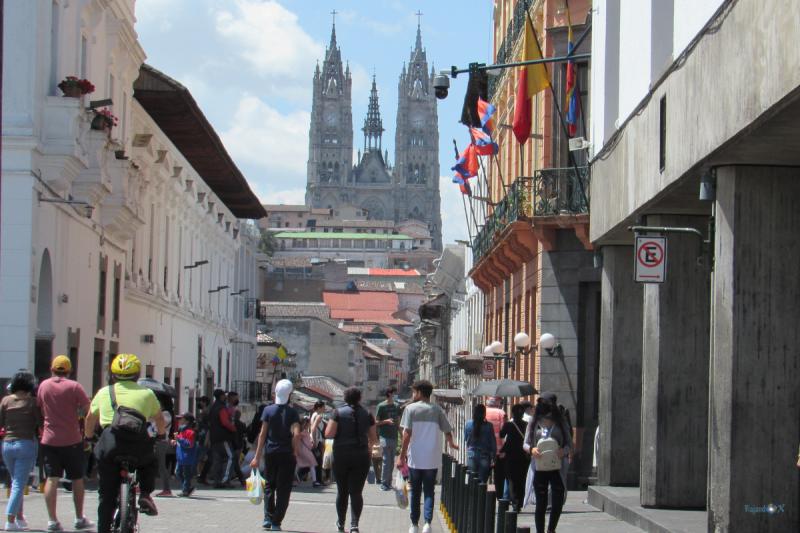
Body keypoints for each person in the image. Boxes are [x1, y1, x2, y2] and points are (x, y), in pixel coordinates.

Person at [84, 354, 166, 533]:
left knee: (106, 495)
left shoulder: (104, 392)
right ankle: (145, 494)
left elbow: (90, 419)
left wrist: (88, 437)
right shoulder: (147, 393)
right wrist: (161, 435)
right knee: (149, 462)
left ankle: (104, 528)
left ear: (113, 375)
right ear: (137, 375)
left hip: (110, 444)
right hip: (137, 444)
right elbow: (159, 419)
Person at [36, 355, 93, 531]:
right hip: (72, 439)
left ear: (52, 368)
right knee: (77, 479)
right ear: (69, 370)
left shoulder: (43, 385)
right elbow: (89, 408)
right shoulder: (74, 386)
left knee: (52, 479)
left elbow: (39, 407)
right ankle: (78, 517)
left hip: (49, 439)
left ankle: (52, 521)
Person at [397, 380, 458, 533]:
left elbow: (406, 434)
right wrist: (451, 444)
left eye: (414, 391)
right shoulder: (437, 410)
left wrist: (401, 455)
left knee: (415, 492)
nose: (412, 394)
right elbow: (447, 431)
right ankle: (428, 524)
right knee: (429, 491)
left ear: (418, 392)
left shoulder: (410, 409)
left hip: (415, 458)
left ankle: (414, 525)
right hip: (432, 457)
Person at [250, 379, 301, 531]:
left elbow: (262, 435)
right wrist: (295, 452)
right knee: (284, 489)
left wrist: (256, 457)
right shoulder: (293, 413)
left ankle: (267, 517)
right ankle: (276, 522)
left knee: (269, 486)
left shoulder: (268, 411)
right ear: (289, 395)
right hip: (287, 454)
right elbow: (297, 435)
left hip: (271, 452)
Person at [325, 387, 377, 533]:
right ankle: (354, 525)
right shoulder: (367, 413)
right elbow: (373, 438)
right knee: (356, 492)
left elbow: (328, 433)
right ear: (359, 398)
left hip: (341, 455)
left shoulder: (337, 412)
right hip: (361, 456)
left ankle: (341, 524)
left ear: (345, 398)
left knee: (342, 492)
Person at [0, 371, 41, 532]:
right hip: (26, 444)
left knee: (15, 480)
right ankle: (10, 519)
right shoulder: (32, 402)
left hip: (7, 445)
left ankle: (20, 517)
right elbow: (39, 422)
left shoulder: (5, 401)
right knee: (19, 483)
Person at [523, 401, 570, 533]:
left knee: (558, 499)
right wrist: (531, 450)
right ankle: (540, 531)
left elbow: (569, 444)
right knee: (541, 502)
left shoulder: (561, 422)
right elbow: (525, 444)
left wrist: (563, 451)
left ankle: (551, 529)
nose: (546, 419)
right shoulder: (533, 423)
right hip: (539, 467)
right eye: (544, 416)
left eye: (549, 415)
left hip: (556, 468)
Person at [500, 403, 531, 510]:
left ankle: (514, 503)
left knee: (512, 480)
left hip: (511, 456)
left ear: (512, 413)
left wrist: (504, 423)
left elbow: (501, 435)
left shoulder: (508, 425)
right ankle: (519, 502)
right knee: (522, 479)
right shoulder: (527, 424)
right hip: (523, 456)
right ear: (523, 414)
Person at [208, 389, 237, 488]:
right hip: (223, 437)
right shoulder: (221, 408)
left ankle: (217, 480)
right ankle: (225, 480)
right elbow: (225, 422)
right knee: (230, 457)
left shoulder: (212, 407)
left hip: (214, 437)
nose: (226, 396)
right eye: (224, 395)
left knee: (217, 459)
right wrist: (233, 428)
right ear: (221, 396)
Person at [464, 404, 496, 483]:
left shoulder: (468, 424)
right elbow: (493, 443)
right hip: (484, 455)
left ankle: (471, 495)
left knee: (472, 481)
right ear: (484, 414)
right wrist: (494, 457)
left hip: (471, 454)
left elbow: (465, 439)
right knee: (482, 482)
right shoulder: (489, 426)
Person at [375, 387, 399, 491]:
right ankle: (384, 484)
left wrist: (402, 434)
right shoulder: (381, 406)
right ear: (389, 394)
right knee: (386, 461)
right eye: (394, 393)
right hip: (384, 436)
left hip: (394, 436)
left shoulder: (396, 406)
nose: (395, 395)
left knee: (391, 462)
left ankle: (388, 483)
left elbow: (398, 421)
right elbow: (376, 422)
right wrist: (386, 421)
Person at [484, 396, 508, 501]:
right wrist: (504, 450)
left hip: (485, 450)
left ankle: (484, 496)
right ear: (498, 402)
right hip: (499, 451)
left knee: (484, 475)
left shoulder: (483, 411)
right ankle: (499, 497)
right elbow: (504, 434)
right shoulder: (501, 413)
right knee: (499, 476)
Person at [172, 413, 198, 497]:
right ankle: (187, 487)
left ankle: (185, 490)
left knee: (186, 475)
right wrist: (175, 442)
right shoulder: (181, 431)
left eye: (181, 419)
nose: (179, 421)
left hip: (187, 458)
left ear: (187, 421)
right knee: (178, 473)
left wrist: (179, 439)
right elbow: (180, 443)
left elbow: (189, 444)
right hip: (180, 458)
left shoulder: (190, 432)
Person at [154, 394, 174, 497]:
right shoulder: (160, 413)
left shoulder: (166, 414)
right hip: (153, 441)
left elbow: (159, 425)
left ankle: (167, 489)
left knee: (161, 466)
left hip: (161, 442)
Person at [293, 418, 318, 486]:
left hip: (302, 450)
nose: (309, 424)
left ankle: (295, 480)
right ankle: (314, 481)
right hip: (305, 450)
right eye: (308, 423)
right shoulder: (303, 432)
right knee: (311, 465)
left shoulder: (303, 431)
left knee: (299, 464)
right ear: (305, 424)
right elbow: (297, 438)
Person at [309, 401, 326, 485]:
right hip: (317, 440)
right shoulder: (318, 416)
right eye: (323, 407)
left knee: (315, 460)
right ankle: (318, 480)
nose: (324, 409)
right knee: (318, 460)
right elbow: (313, 428)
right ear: (319, 407)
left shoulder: (313, 415)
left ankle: (318, 479)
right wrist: (315, 440)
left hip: (315, 439)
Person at [195, 396, 212, 484]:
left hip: (204, 437)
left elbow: (209, 427)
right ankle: (199, 475)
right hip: (200, 437)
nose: (199, 403)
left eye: (200, 401)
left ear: (204, 402)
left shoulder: (207, 413)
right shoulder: (201, 413)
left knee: (202, 458)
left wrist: (207, 439)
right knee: (200, 457)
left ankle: (201, 475)